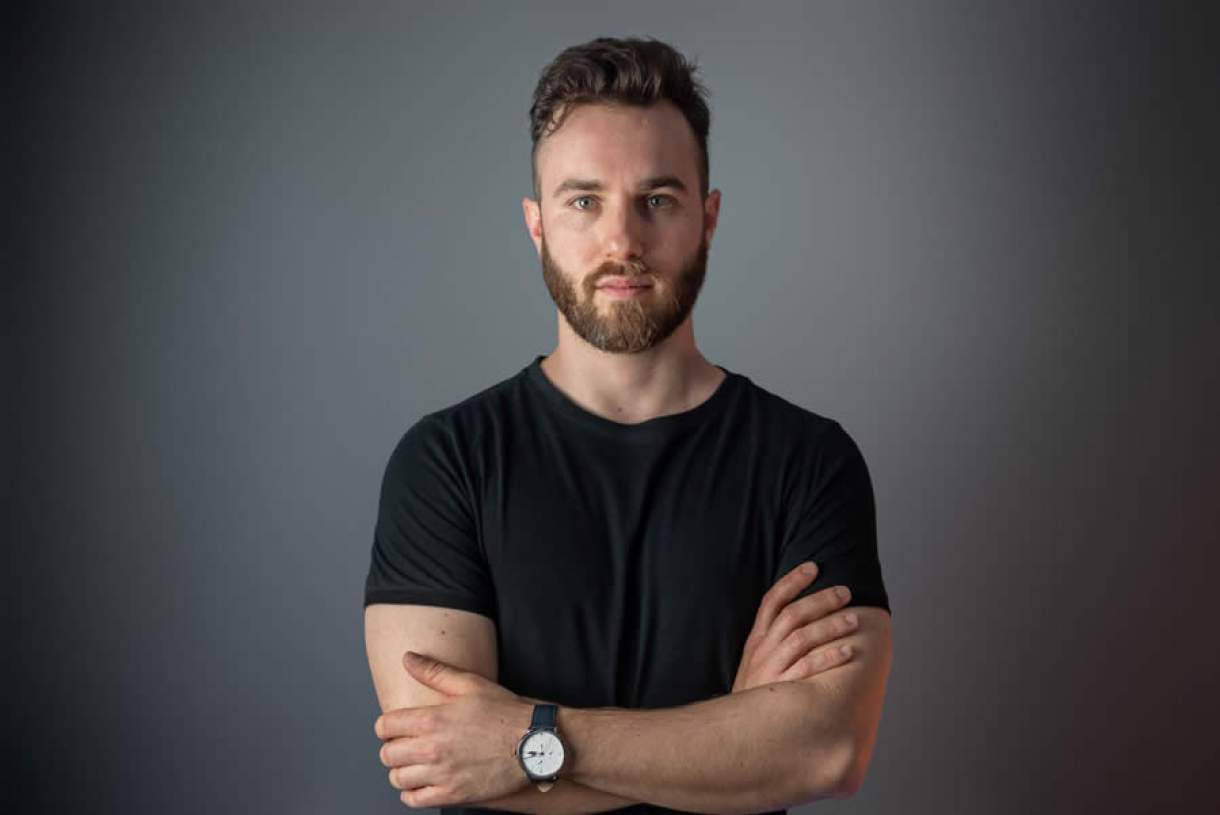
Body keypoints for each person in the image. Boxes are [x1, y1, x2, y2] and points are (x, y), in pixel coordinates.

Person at [363, 36, 893, 815]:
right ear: (537, 225)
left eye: (658, 199)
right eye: (584, 201)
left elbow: (827, 749)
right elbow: (441, 759)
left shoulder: (809, 462)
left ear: (708, 219)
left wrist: (524, 740)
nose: (622, 242)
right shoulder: (446, 463)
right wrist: (735, 734)